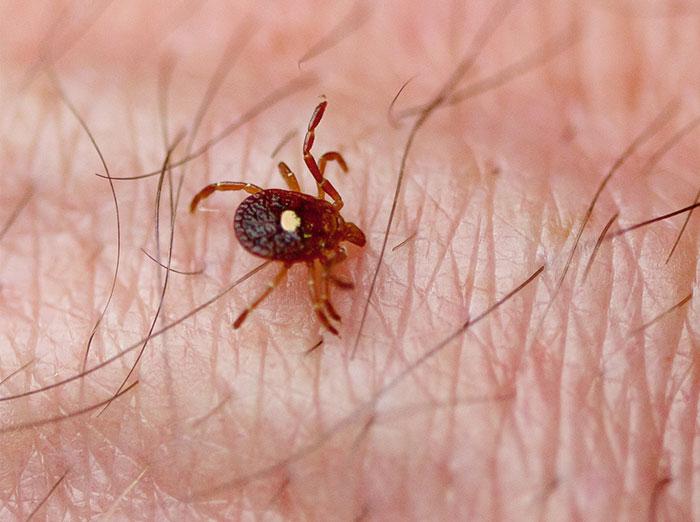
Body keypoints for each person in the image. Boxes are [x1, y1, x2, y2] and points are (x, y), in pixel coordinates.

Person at [0, 1, 697, 519]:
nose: (345, 230)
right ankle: (227, 225)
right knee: (271, 205)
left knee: (268, 189)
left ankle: (220, 206)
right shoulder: (312, 246)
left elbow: (304, 169)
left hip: (268, 223)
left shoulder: (319, 228)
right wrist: (288, 302)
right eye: (335, 232)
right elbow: (307, 204)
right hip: (268, 227)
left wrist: (311, 234)